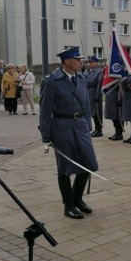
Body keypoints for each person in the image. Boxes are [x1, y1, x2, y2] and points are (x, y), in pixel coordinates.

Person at [39, 47, 98, 219]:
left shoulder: (81, 78)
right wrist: (46, 135)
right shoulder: (51, 81)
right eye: (77, 59)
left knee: (88, 163)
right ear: (67, 62)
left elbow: (86, 104)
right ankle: (69, 205)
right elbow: (45, 110)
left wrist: (88, 124)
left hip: (80, 125)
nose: (81, 62)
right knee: (65, 167)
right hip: (62, 126)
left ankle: (77, 198)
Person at [84, 56, 103, 136]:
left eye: (91, 62)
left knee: (97, 112)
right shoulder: (86, 72)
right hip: (87, 93)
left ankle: (99, 129)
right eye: (88, 62)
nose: (89, 64)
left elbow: (99, 84)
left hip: (94, 92)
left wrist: (97, 96)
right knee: (91, 112)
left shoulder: (99, 72)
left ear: (96, 63)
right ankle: (95, 129)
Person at [104, 73, 124, 141]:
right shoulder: (108, 71)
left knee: (117, 115)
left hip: (116, 94)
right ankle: (117, 132)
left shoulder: (117, 72)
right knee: (112, 115)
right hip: (110, 94)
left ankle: (119, 133)